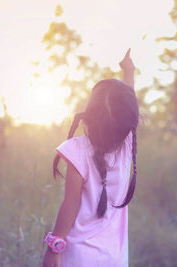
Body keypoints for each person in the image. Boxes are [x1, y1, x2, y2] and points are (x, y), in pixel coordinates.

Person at [42, 49, 139, 267]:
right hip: (115, 259)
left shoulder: (77, 150)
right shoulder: (127, 145)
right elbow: (128, 106)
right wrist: (129, 71)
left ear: (89, 115)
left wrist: (54, 247)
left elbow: (71, 202)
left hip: (78, 258)